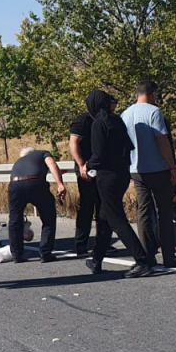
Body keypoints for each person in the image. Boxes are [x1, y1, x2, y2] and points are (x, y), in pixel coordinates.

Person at [120, 81, 176, 268]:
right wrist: (172, 167)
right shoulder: (154, 112)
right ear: (152, 94)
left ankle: (147, 256)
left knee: (143, 213)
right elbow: (162, 141)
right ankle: (169, 256)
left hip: (136, 169)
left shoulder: (125, 114)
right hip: (157, 169)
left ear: (136, 94)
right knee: (164, 212)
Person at [84, 90, 155, 278]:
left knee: (116, 219)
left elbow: (98, 155)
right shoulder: (116, 120)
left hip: (106, 177)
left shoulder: (98, 123)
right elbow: (128, 147)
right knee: (104, 217)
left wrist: (87, 165)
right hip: (122, 174)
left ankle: (142, 260)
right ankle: (96, 259)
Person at [6, 146, 67, 263]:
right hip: (35, 184)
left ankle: (16, 255)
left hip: (14, 185)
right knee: (48, 217)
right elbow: (52, 164)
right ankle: (45, 253)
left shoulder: (19, 161)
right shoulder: (42, 153)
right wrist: (60, 184)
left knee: (14, 220)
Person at [69, 108, 112, 257]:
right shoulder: (83, 120)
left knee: (103, 208)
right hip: (85, 171)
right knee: (87, 207)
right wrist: (81, 165)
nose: (113, 106)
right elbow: (73, 143)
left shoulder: (107, 120)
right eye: (111, 103)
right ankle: (81, 244)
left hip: (103, 170)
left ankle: (103, 242)